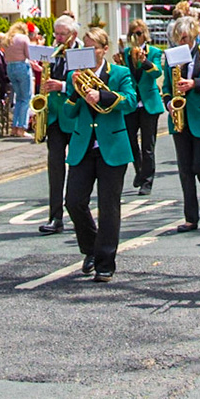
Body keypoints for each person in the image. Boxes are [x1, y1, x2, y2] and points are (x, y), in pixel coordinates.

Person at [62, 28, 138, 280]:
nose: (89, 51)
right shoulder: (76, 75)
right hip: (83, 147)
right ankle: (91, 248)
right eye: (86, 46)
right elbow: (68, 114)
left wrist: (102, 95)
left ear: (104, 49)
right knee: (73, 201)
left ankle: (106, 261)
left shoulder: (120, 73)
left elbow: (129, 101)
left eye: (94, 47)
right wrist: (75, 92)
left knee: (108, 206)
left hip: (112, 146)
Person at [162, 17, 200, 231]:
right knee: (185, 169)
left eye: (185, 38)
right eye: (177, 38)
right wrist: (169, 102)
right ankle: (191, 217)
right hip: (180, 118)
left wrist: (195, 84)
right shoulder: (172, 58)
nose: (181, 42)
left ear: (195, 35)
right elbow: (167, 86)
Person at [34, 15, 80, 235]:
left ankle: (78, 212)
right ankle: (55, 217)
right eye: (57, 34)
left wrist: (61, 86)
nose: (59, 38)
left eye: (63, 34)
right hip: (54, 117)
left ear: (74, 35)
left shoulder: (81, 53)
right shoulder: (49, 52)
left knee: (79, 167)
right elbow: (42, 80)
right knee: (54, 166)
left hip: (75, 115)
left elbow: (82, 83)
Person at [120, 20, 164, 192]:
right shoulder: (126, 52)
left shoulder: (153, 52)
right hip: (132, 103)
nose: (136, 37)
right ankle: (139, 170)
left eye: (139, 33)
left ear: (145, 34)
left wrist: (145, 62)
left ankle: (147, 181)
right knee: (130, 141)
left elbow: (157, 72)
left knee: (148, 144)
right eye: (133, 34)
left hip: (148, 103)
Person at [3, 29, 35, 142]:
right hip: (22, 66)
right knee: (26, 98)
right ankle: (21, 128)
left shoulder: (7, 38)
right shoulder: (23, 38)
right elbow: (28, 54)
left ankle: (14, 128)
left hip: (10, 67)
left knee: (19, 98)